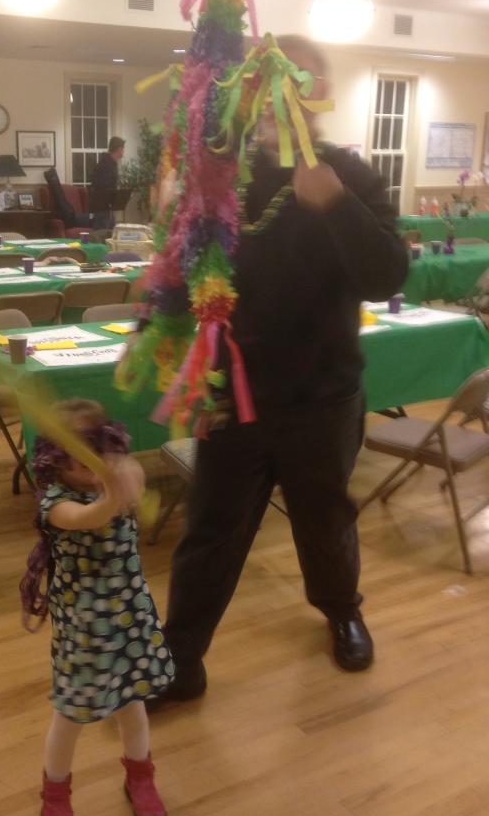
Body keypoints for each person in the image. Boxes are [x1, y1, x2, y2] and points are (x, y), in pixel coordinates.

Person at [152, 34, 408, 702]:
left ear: (322, 95)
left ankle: (342, 612)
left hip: (323, 395)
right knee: (211, 528)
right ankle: (182, 657)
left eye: (301, 79)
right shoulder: (222, 177)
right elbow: (191, 282)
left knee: (325, 520)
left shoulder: (350, 174)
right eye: (269, 82)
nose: (281, 96)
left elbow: (387, 276)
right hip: (233, 395)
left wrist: (335, 204)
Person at [20, 398, 174, 816]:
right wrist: (111, 496)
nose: (92, 459)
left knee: (132, 703)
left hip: (129, 619)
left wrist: (126, 474)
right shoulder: (57, 503)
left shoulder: (120, 475)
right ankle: (55, 798)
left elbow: (134, 478)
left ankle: (140, 777)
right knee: (70, 716)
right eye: (78, 450)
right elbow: (88, 519)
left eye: (99, 446)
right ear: (55, 458)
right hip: (85, 631)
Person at [89, 136, 125, 230]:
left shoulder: (110, 163)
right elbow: (103, 186)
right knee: (101, 232)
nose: (123, 151)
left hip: (107, 205)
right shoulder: (106, 165)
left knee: (111, 230)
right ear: (119, 149)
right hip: (103, 206)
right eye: (123, 149)